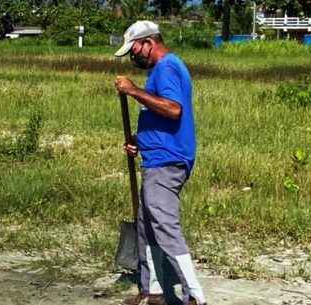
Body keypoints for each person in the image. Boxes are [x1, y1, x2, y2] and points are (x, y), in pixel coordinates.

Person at [113, 21, 208, 305]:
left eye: (134, 51)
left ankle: (195, 296)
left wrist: (133, 91)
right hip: (156, 159)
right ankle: (152, 290)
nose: (132, 58)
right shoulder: (160, 71)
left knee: (164, 225)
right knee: (147, 225)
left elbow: (173, 109)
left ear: (149, 43)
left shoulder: (167, 67)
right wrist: (139, 140)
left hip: (168, 163)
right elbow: (159, 114)